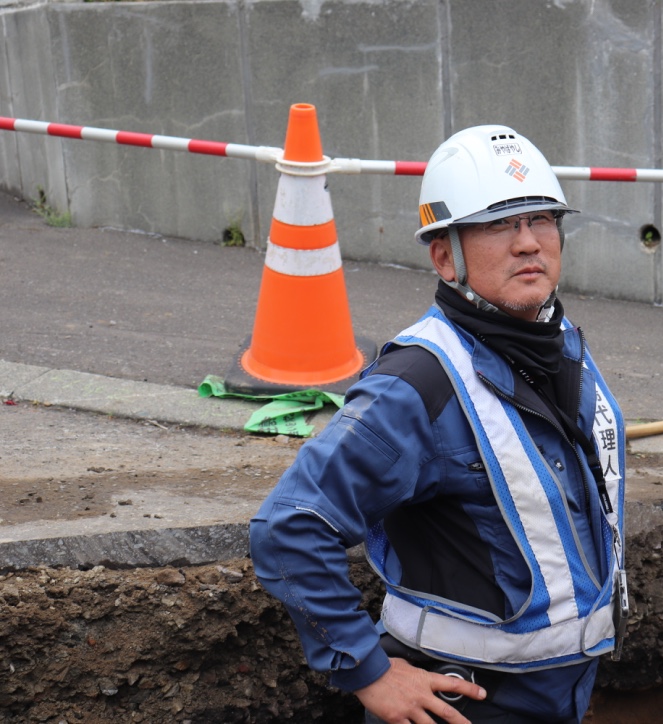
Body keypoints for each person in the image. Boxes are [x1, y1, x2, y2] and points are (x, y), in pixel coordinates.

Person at [250, 124, 627, 724]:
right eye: (499, 225)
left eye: (541, 220)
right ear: (445, 254)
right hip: (464, 705)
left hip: (558, 696)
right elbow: (289, 528)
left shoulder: (561, 349)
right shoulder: (418, 385)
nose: (528, 243)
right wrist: (369, 673)